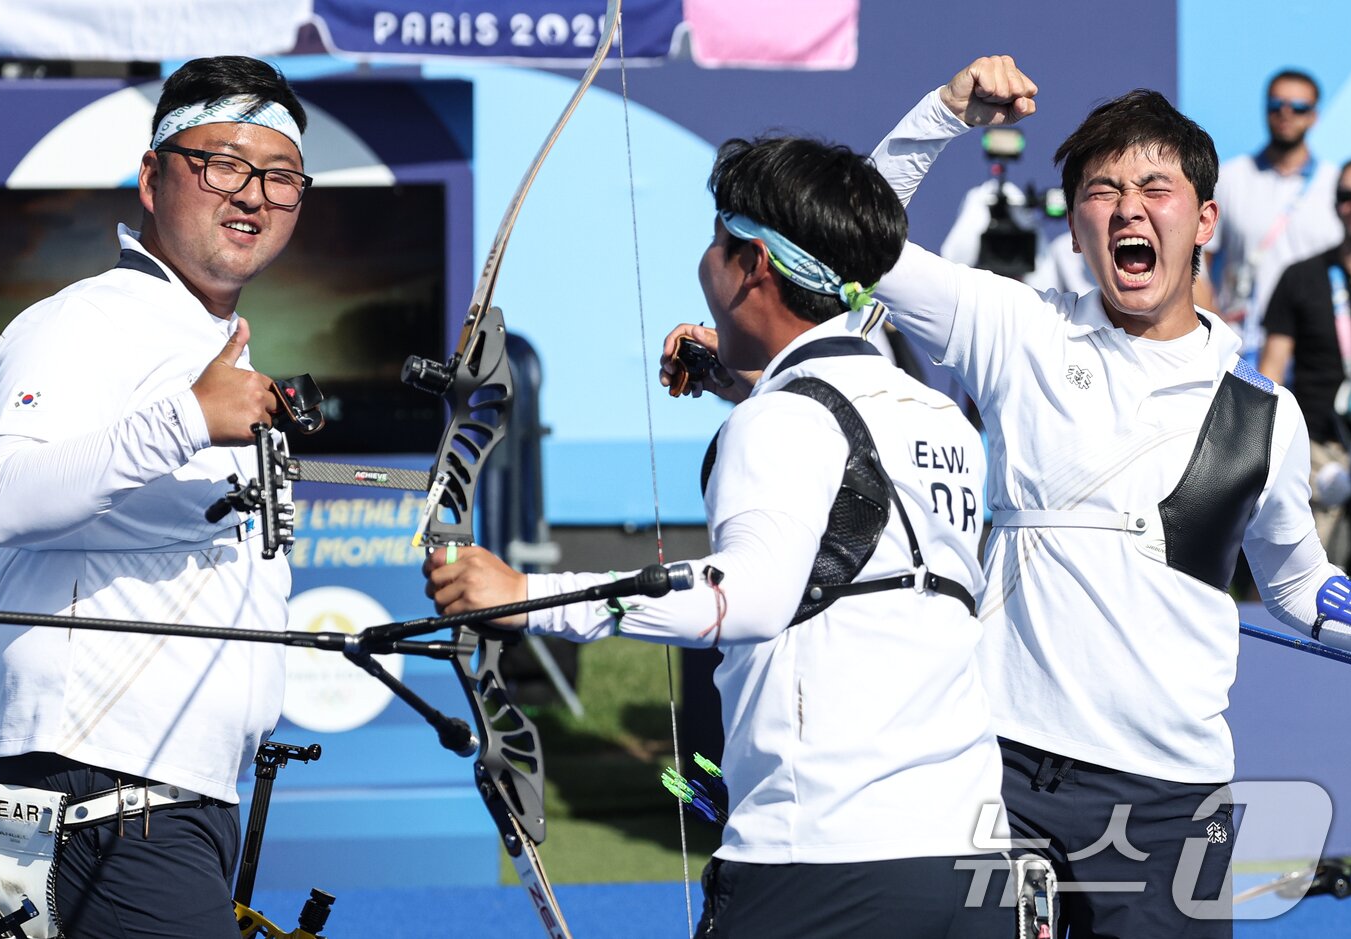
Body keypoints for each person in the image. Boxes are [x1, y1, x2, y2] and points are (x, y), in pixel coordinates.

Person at [425, 136, 1013, 936]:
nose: (704, 267)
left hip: (825, 865)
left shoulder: (780, 420)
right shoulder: (938, 416)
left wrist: (526, 598)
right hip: (969, 857)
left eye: (715, 243)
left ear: (755, 267)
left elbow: (744, 598)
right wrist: (748, 382)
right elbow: (851, 513)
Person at [856, 55, 1351, 939]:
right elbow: (843, 240)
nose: (1128, 207)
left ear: (1203, 220)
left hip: (1172, 806)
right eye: (1101, 188)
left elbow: (1300, 581)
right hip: (995, 778)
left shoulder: (1264, 413)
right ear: (1077, 223)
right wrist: (941, 111)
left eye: (1154, 186)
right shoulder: (1017, 327)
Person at [0, 56, 308, 938]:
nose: (253, 194)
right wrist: (187, 419)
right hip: (106, 797)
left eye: (280, 175)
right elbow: (3, 498)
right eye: (223, 164)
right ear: (153, 177)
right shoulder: (84, 318)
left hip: (173, 798)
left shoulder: (214, 341)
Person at [1205, 69, 1342, 361]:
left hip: (1314, 352)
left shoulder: (1336, 186)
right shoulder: (1230, 177)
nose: (1286, 114)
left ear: (1314, 116)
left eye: (1299, 107)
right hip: (1244, 347)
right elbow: (1196, 262)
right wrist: (1214, 327)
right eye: (1276, 105)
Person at [1259, 158, 1351, 568]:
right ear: (1335, 204)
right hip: (1321, 453)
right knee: (1317, 580)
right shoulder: (1302, 276)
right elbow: (1271, 371)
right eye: (1346, 196)